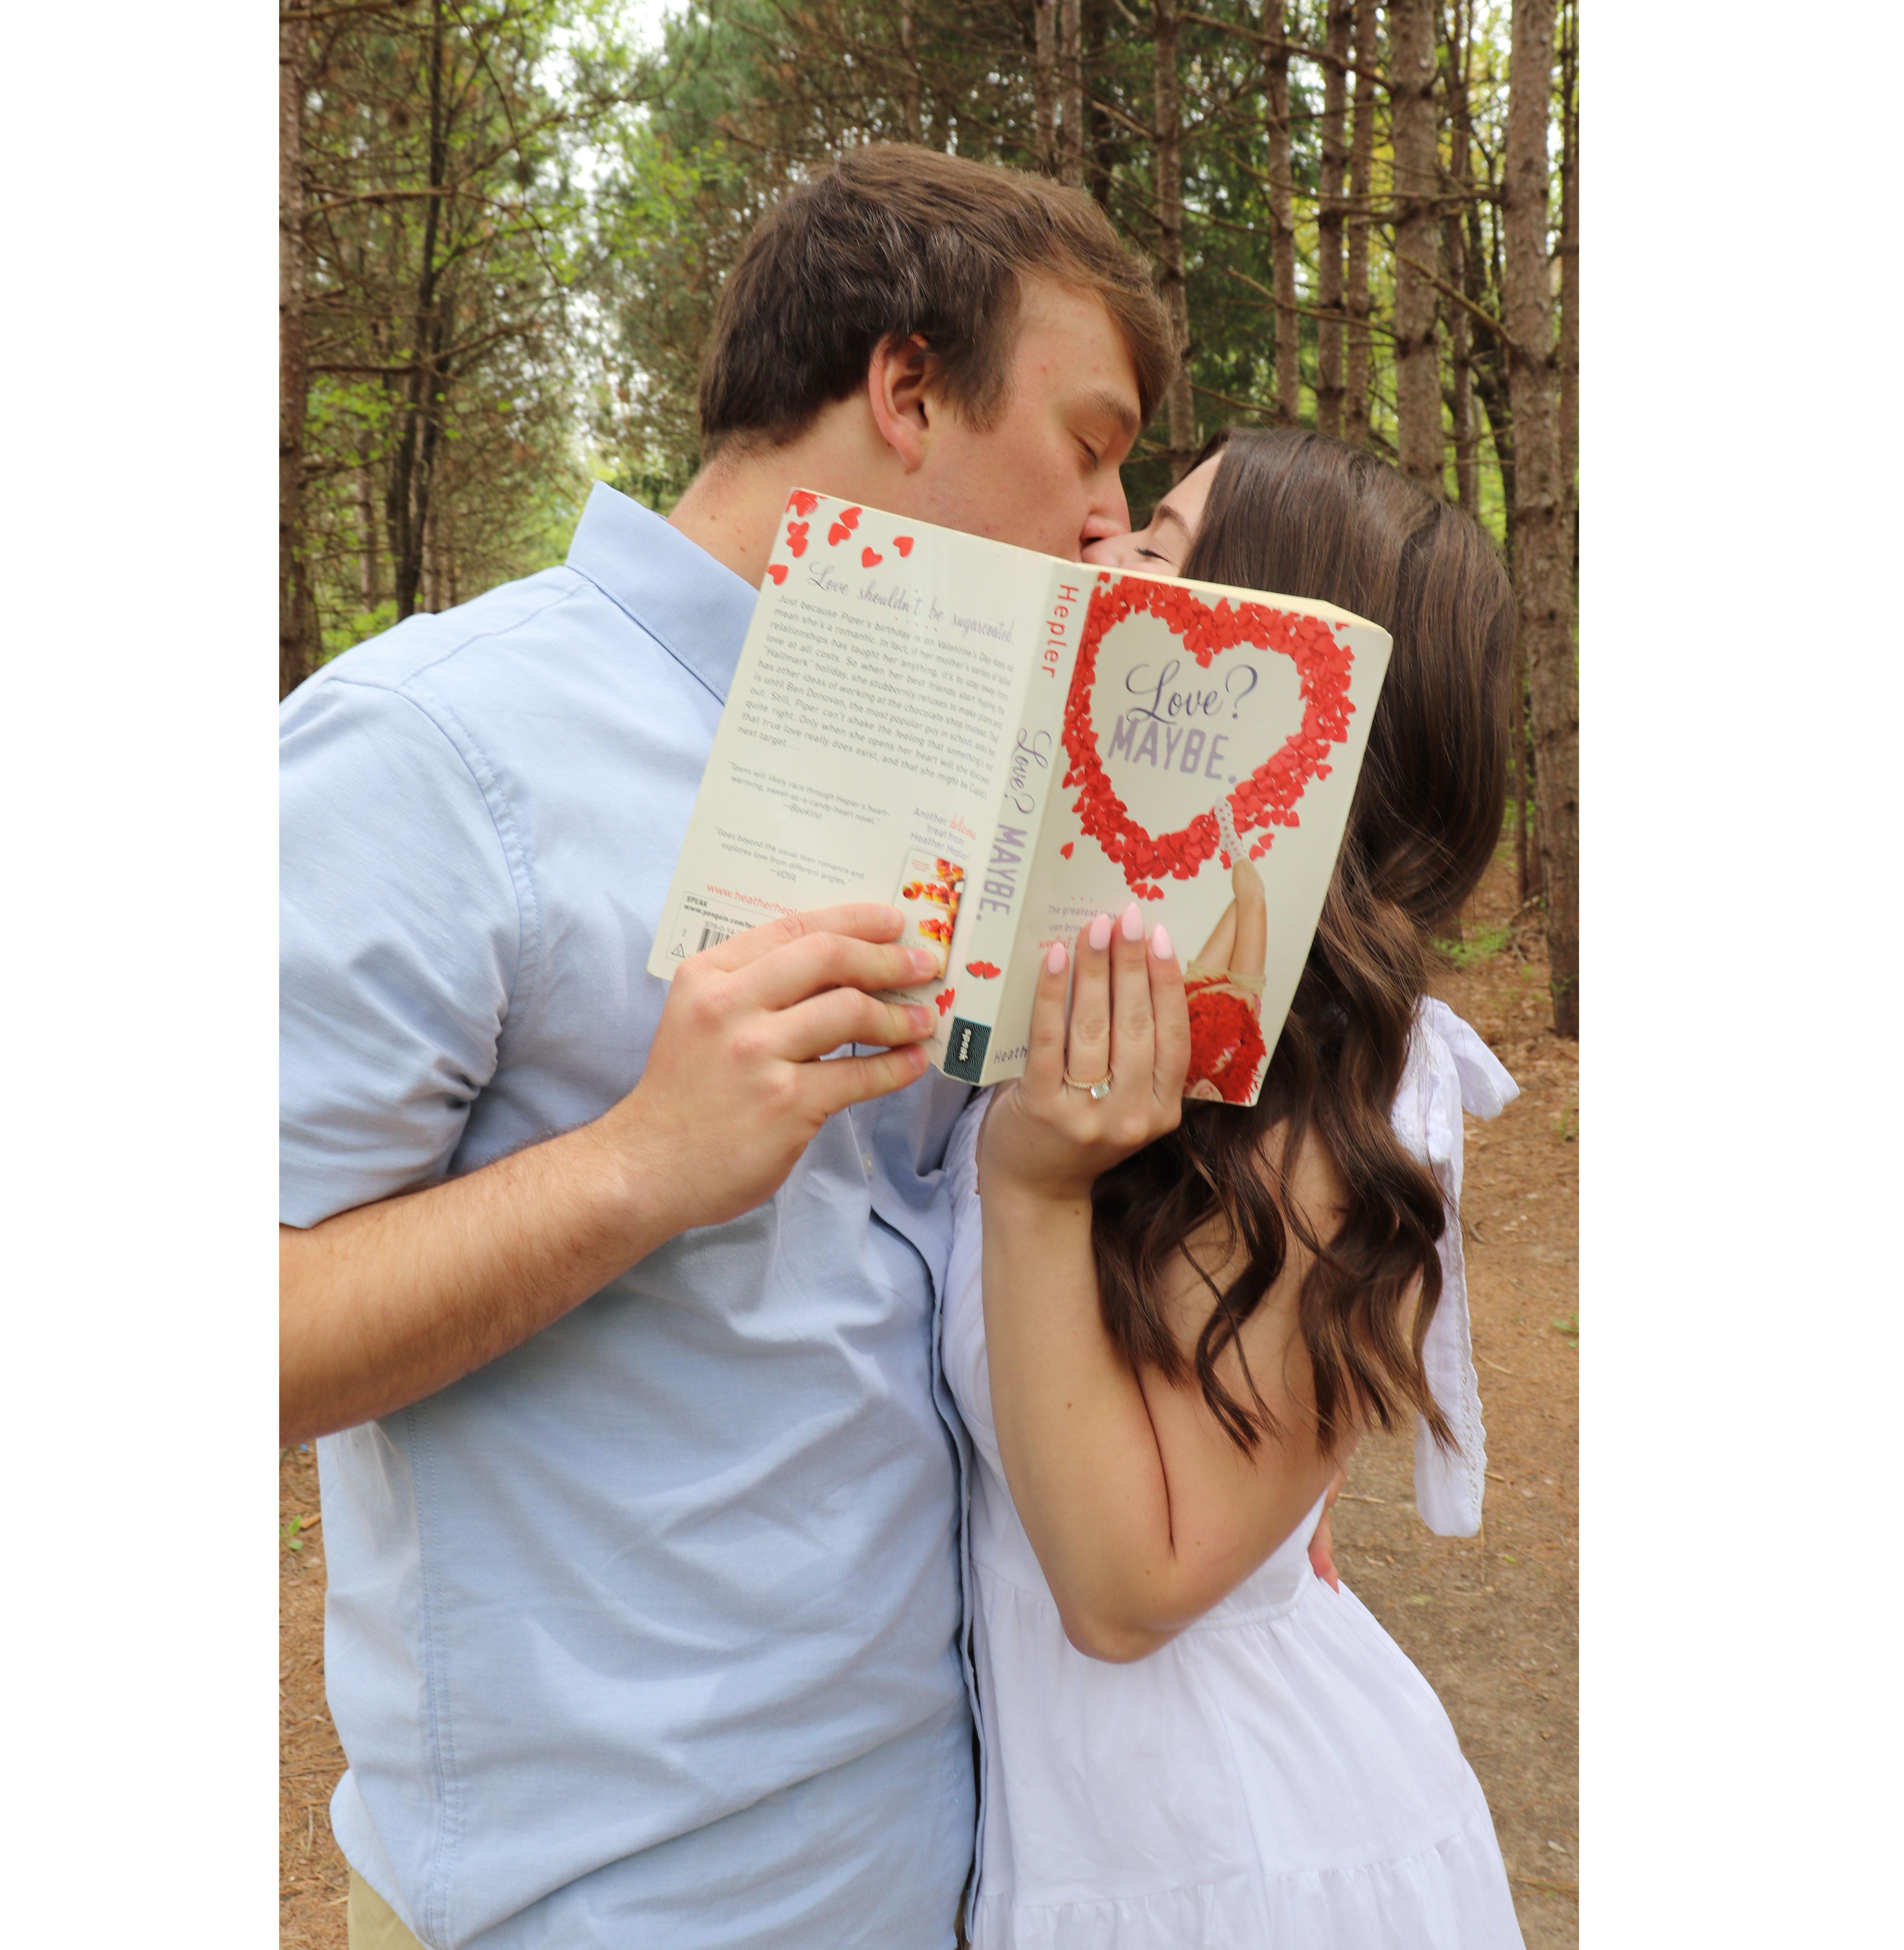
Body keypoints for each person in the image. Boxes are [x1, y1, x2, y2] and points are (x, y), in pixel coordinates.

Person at [279, 146, 1174, 1950]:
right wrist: (637, 1167)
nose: (1111, 520)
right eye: (1090, 446)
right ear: (907, 390)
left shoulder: (990, 773)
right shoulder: (430, 750)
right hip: (612, 1902)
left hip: (962, 1846)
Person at [940, 426, 1529, 1945]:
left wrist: (1032, 1195)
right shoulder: (1090, 1003)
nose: (1108, 548)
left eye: (1166, 548)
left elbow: (1126, 1588)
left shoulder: (1359, 1086)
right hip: (1091, 1843)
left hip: (1237, 1867)